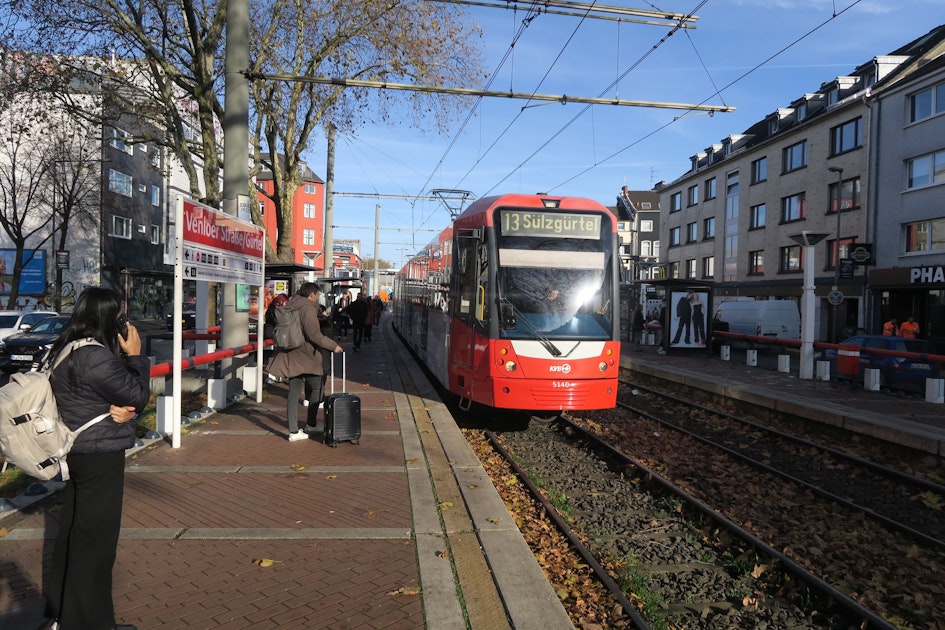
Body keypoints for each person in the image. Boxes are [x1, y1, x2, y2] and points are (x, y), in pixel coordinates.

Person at [43, 287, 151, 630]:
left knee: (75, 534)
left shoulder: (66, 347)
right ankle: (91, 623)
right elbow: (138, 394)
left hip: (78, 451)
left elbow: (96, 398)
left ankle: (64, 614)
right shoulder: (94, 356)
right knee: (97, 541)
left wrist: (123, 410)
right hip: (99, 454)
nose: (123, 322)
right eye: (119, 316)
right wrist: (136, 355)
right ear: (107, 317)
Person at [266, 282, 343, 441]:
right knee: (317, 388)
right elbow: (314, 334)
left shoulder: (291, 303)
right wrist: (333, 346)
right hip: (306, 354)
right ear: (312, 294)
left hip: (290, 352)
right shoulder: (308, 308)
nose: (317, 298)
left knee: (294, 392)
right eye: (317, 295)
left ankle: (293, 431)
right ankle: (311, 424)